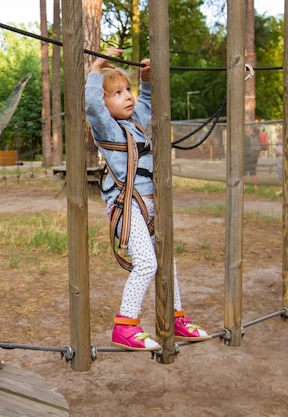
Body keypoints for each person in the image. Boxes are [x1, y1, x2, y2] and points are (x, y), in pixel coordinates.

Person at [85, 49, 209, 351]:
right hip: (128, 206)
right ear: (104, 103)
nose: (127, 96)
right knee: (146, 263)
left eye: (128, 90)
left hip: (150, 204)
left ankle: (175, 317)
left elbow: (149, 103)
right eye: (117, 93)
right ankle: (125, 325)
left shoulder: (135, 123)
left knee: (168, 262)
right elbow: (90, 103)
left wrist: (147, 79)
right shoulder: (107, 126)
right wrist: (95, 67)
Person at [244, 125, 261, 191]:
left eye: (248, 128)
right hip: (254, 157)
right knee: (253, 172)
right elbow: (259, 148)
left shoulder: (247, 137)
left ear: (251, 130)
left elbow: (246, 148)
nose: (246, 130)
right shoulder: (256, 137)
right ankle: (255, 186)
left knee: (244, 171)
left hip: (248, 156)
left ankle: (243, 186)